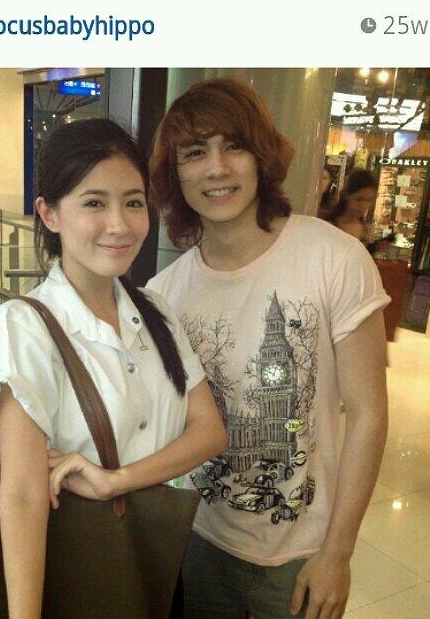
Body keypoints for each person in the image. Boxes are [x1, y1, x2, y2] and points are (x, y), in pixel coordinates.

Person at [147, 78, 389, 619]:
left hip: (302, 557)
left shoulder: (333, 257)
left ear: (261, 157)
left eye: (233, 146)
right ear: (175, 173)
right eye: (195, 152)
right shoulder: (165, 295)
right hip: (198, 542)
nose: (217, 168)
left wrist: (338, 553)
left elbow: (369, 414)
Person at [0, 118, 227, 619]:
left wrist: (116, 480)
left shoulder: (156, 312)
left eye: (133, 203)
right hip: (77, 570)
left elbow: (209, 432)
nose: (120, 224)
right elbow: (23, 494)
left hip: (153, 558)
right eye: (94, 203)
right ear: (49, 213)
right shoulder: (24, 326)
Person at [324, 168, 378, 245]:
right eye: (358, 199)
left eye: (368, 200)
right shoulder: (330, 225)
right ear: (347, 196)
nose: (363, 206)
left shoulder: (365, 229)